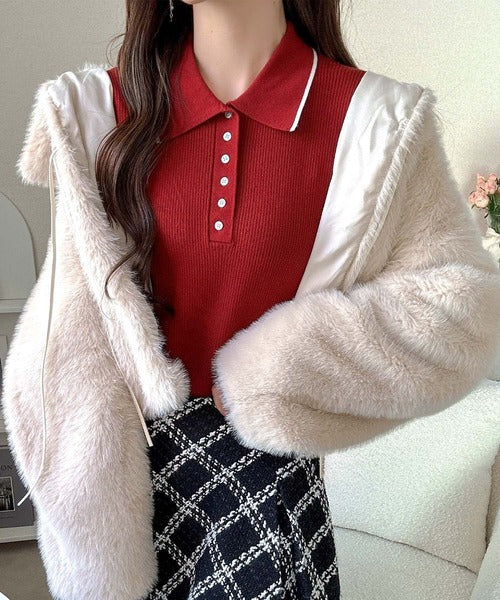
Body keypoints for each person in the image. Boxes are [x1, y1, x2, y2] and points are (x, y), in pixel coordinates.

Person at [2, 0, 500, 599]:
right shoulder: (98, 113)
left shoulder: (375, 119)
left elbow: (459, 306)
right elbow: (64, 334)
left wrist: (278, 372)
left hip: (269, 494)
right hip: (126, 497)